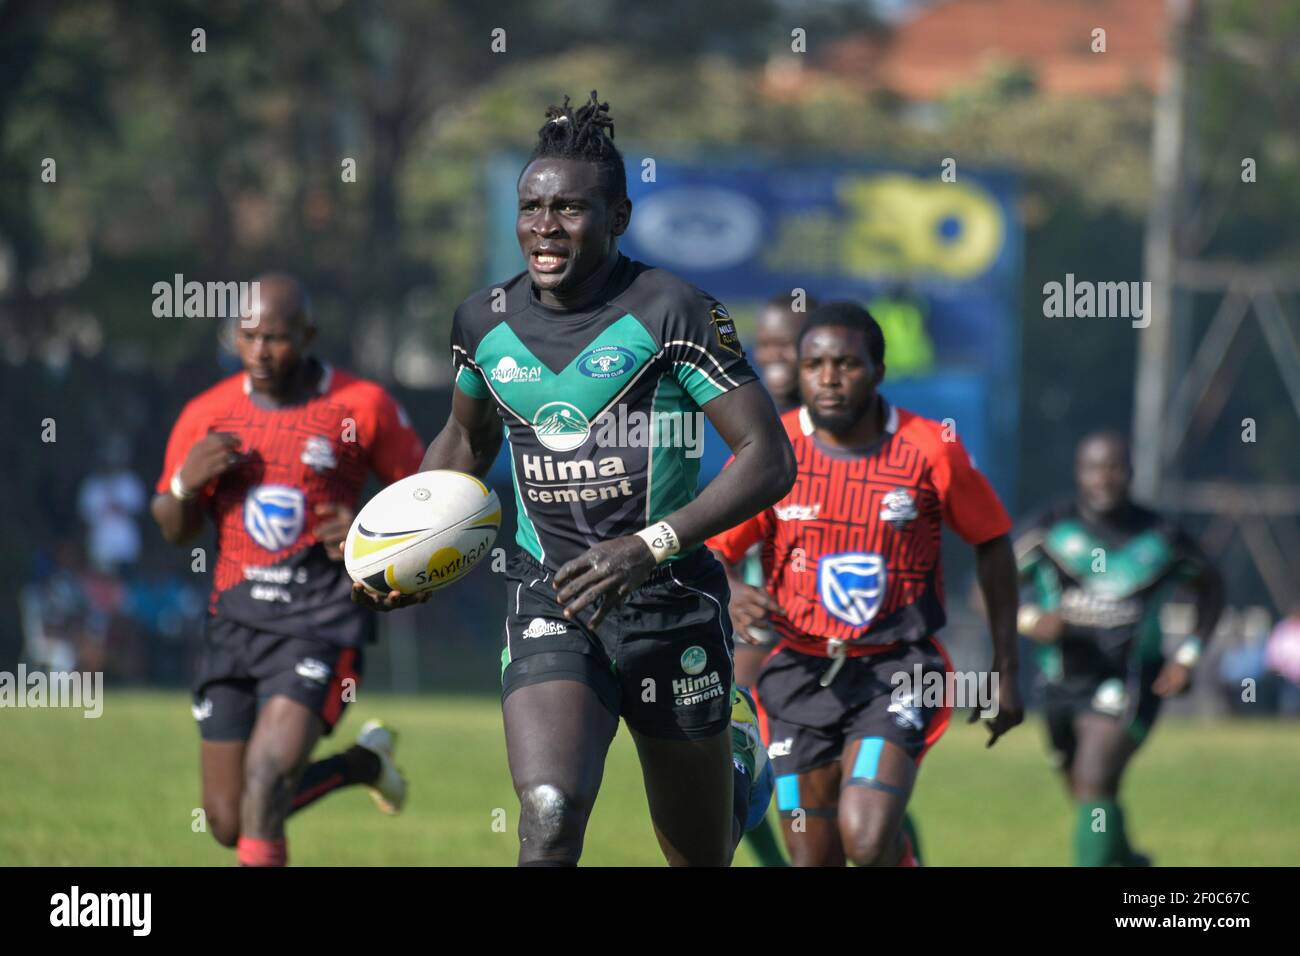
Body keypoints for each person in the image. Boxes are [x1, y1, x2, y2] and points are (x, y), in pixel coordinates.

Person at [354, 92, 796, 866]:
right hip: (550, 598)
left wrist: (649, 546)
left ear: (619, 216)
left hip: (671, 605)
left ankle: (738, 761)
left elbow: (767, 458)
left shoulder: (674, 310)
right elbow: (464, 437)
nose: (545, 226)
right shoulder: (482, 323)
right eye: (532, 207)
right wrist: (409, 544)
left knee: (699, 853)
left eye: (569, 209)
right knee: (550, 814)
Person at [708, 302, 1023, 866]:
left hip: (898, 671)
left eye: (846, 364)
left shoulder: (930, 448)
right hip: (797, 675)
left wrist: (1006, 667)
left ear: (878, 370)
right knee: (812, 859)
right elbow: (713, 547)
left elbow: (993, 541)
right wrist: (731, 588)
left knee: (868, 836)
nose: (828, 378)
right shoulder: (773, 452)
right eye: (815, 364)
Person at [151, 273, 425, 866]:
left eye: (275, 338)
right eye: (247, 336)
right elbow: (175, 528)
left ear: (308, 335)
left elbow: (430, 505)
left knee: (270, 778)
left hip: (320, 625)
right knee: (228, 820)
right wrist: (181, 485)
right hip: (234, 625)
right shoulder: (208, 413)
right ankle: (362, 765)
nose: (259, 352)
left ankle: (351, 766)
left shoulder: (361, 406)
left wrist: (367, 533)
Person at [1015, 431, 1225, 866]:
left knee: (1095, 779)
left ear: (1130, 473)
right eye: (1094, 467)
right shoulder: (1049, 530)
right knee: (1088, 798)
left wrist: (1188, 657)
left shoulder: (1162, 538)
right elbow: (991, 586)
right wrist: (1031, 619)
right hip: (1060, 682)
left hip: (1130, 680)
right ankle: (1128, 862)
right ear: (1079, 473)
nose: (1104, 478)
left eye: (1115, 467)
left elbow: (1213, 589)